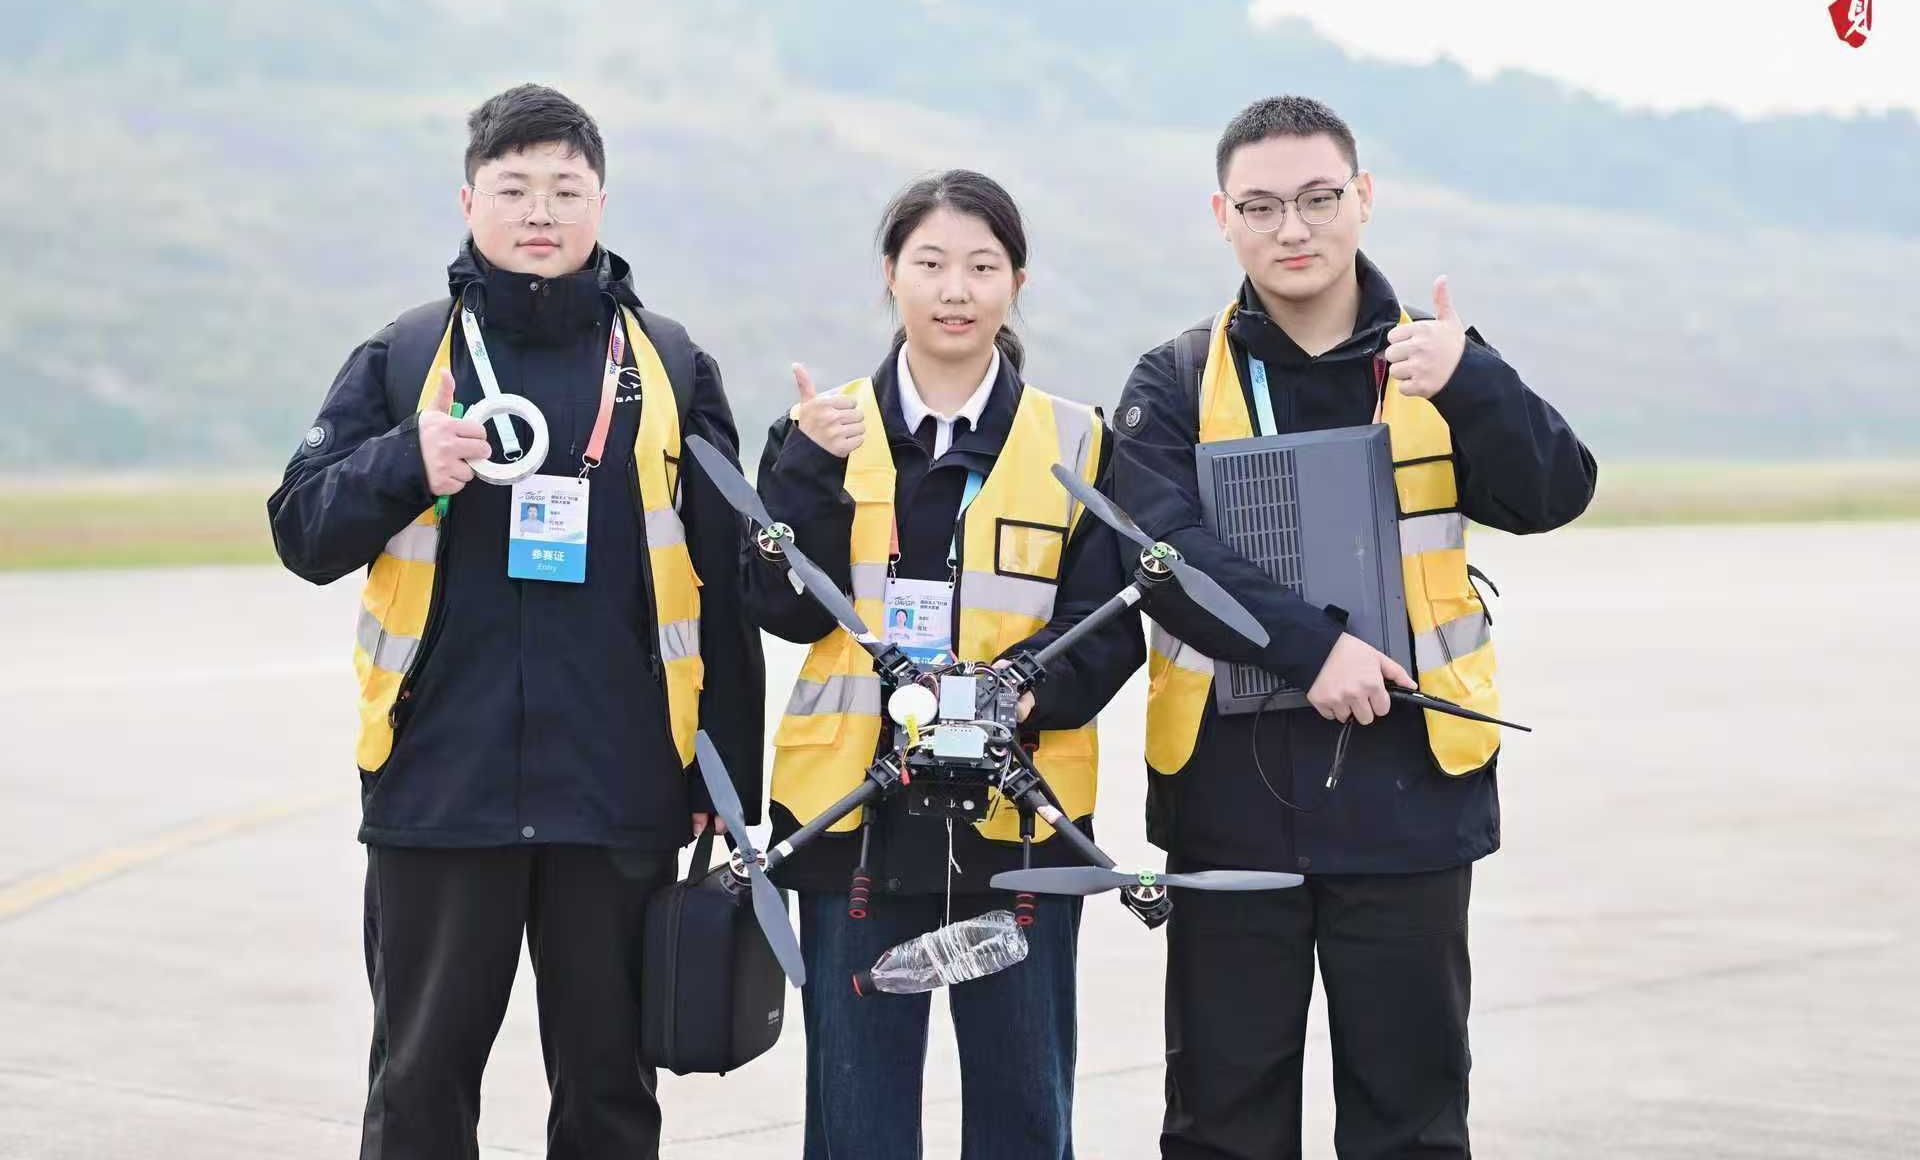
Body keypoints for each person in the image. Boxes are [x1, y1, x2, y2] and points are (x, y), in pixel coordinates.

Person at [267, 83, 764, 1160]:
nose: (540, 211)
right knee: (419, 1085)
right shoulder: (406, 357)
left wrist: (725, 781)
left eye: (565, 189)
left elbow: (723, 587)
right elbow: (302, 531)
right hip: (442, 787)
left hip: (620, 793)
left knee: (610, 1092)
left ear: (601, 203)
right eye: (514, 188)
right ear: (469, 201)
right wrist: (405, 461)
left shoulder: (670, 366)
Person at [1111, 96, 1597, 1159]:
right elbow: (1158, 551)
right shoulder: (1177, 377)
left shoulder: (1439, 359)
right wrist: (1312, 647)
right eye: (1262, 205)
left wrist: (1473, 382)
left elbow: (1556, 491)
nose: (1293, 227)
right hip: (1232, 804)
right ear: (1223, 216)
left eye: (1319, 197)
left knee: (1411, 1121)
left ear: (1363, 198)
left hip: (1408, 794)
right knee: (1222, 1125)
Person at [744, 170, 1144, 1159]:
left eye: (981, 266)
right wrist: (805, 471)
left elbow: (1109, 626)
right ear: (891, 274)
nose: (954, 290)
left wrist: (1021, 693)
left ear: (1017, 282)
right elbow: (778, 608)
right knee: (856, 1118)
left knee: (1023, 1110)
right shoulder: (820, 428)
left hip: (1021, 821)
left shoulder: (1078, 439)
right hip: (852, 820)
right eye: (929, 264)